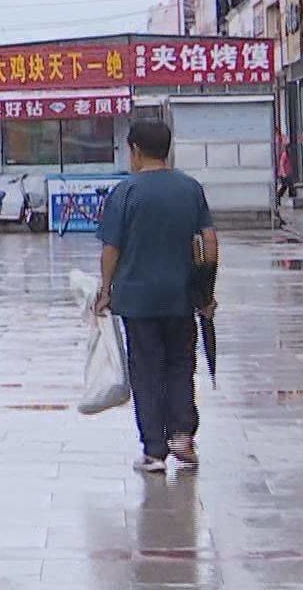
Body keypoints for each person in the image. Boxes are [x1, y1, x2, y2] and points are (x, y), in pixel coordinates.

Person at [92, 120, 218, 474]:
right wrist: (206, 292)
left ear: (135, 151)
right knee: (181, 364)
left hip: (138, 300)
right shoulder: (190, 189)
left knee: (147, 372)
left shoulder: (125, 192)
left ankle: (154, 450)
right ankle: (182, 434)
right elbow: (209, 243)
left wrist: (105, 290)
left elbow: (111, 248)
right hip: (182, 298)